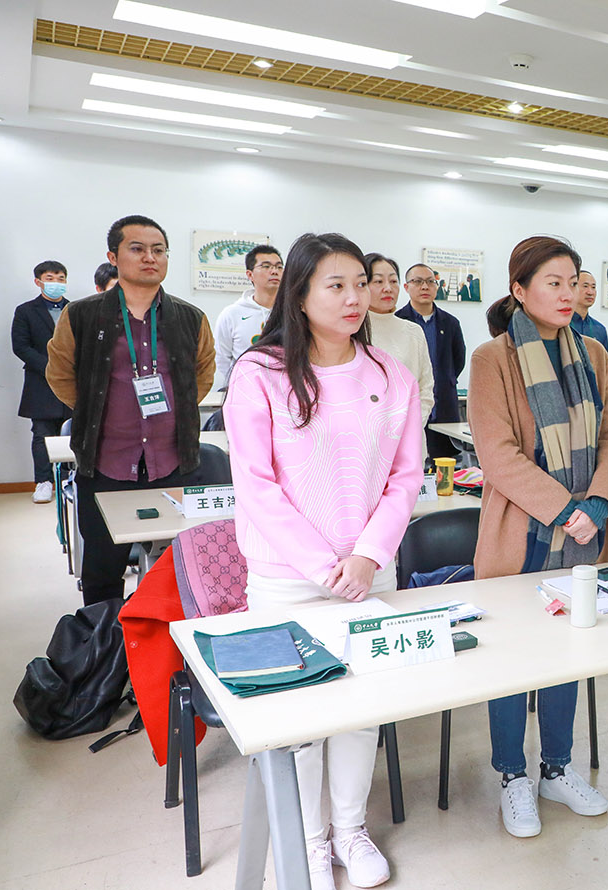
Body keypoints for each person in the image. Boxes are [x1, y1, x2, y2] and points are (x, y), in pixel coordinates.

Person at [226, 232, 421, 890]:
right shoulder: (261, 373)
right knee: (303, 719)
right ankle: (308, 840)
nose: (354, 297)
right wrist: (321, 565)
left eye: (360, 283)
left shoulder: (390, 374)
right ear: (300, 294)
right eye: (335, 285)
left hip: (368, 573)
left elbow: (405, 476)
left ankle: (350, 830)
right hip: (287, 579)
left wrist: (367, 556)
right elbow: (256, 485)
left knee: (361, 712)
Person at [470, 235, 608, 838]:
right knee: (512, 658)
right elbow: (498, 454)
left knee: (570, 649)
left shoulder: (594, 354)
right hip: (526, 533)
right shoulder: (493, 359)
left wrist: (597, 503)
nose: (568, 294)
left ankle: (557, 768)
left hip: (586, 533)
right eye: (553, 283)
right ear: (519, 289)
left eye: (573, 282)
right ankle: (513, 775)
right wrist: (566, 509)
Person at [47, 215, 216, 606]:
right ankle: (104, 639)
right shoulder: (83, 315)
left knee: (176, 569)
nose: (149, 258)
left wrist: (177, 412)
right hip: (105, 462)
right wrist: (94, 410)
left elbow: (203, 374)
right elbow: (59, 373)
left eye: (158, 250)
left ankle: (160, 636)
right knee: (103, 571)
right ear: (113, 257)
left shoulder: (190, 317)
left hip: (173, 462)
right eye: (137, 249)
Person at [12, 260, 74, 503]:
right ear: (38, 282)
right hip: (40, 382)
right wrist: (49, 367)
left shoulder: (75, 310)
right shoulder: (25, 311)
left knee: (71, 433)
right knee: (42, 434)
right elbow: (21, 346)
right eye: (50, 278)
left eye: (61, 278)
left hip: (71, 381)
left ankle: (69, 479)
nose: (56, 283)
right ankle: (44, 482)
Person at [364, 253, 435, 458]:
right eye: (378, 281)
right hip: (367, 443)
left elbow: (425, 387)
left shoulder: (413, 331)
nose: (388, 288)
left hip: (409, 441)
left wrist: (412, 426)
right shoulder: (353, 331)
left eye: (393, 281)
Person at [396, 263, 466, 458]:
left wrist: (444, 379)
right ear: (406, 287)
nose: (425, 286)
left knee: (445, 464)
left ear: (437, 286)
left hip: (443, 408)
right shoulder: (398, 321)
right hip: (408, 408)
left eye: (430, 281)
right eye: (418, 282)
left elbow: (458, 360)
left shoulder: (450, 323)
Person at [213, 244, 283, 390]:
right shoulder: (232, 314)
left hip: (283, 389)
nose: (274, 271)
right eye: (266, 266)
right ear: (250, 275)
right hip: (245, 390)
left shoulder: (293, 312)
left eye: (279, 267)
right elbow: (221, 358)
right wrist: (237, 384)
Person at [570, 268, 608, 350]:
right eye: (585, 286)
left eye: (593, 287)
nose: (590, 292)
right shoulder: (560, 325)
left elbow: (602, 358)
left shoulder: (599, 329)